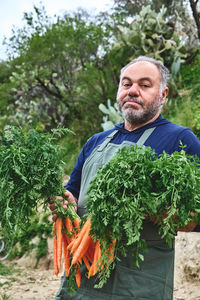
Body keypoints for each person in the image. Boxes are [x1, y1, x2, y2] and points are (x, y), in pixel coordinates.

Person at [50, 56, 200, 300]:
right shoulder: (95, 142)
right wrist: (65, 205)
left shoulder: (180, 140)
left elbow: (195, 216)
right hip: (82, 277)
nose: (133, 91)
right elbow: (74, 195)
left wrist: (147, 209)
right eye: (127, 84)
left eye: (145, 84)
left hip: (139, 285)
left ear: (163, 95)